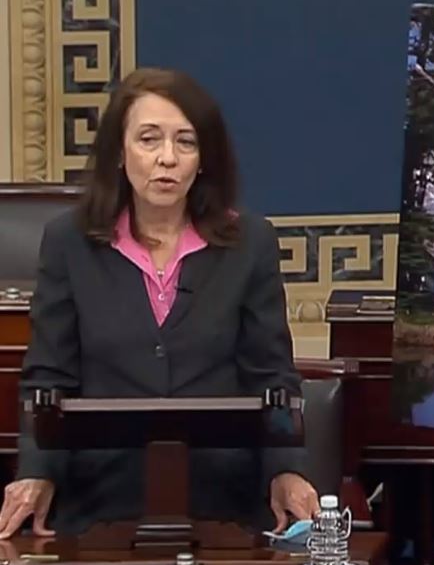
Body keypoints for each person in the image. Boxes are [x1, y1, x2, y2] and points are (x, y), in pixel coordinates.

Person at [0, 68, 320, 539]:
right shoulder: (69, 242)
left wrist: (285, 470)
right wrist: (37, 471)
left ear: (204, 158)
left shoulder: (250, 242)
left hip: (222, 503)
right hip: (101, 503)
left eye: (185, 142)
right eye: (149, 139)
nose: (167, 159)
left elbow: (271, 376)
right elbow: (49, 377)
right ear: (118, 151)